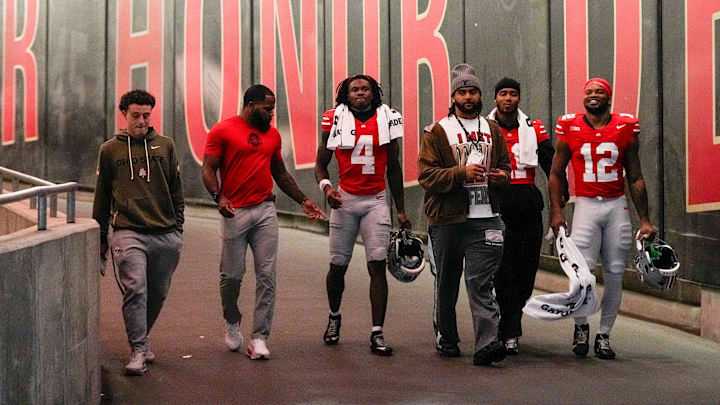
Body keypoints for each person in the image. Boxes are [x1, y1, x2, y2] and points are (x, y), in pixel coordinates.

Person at [202, 84, 326, 360]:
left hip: (265, 211)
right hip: (234, 211)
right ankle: (232, 322)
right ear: (250, 105)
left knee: (267, 276)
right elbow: (208, 169)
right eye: (267, 108)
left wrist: (303, 200)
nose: (272, 113)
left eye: (273, 108)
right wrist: (217, 197)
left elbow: (280, 173)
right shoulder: (222, 130)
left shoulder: (272, 136)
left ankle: (259, 338)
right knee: (231, 276)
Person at [548, 77, 656, 360]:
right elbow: (556, 173)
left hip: (615, 206)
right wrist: (557, 212)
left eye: (599, 92)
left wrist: (645, 219)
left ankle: (604, 334)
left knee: (615, 273)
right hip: (585, 205)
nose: (593, 95)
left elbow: (635, 176)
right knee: (581, 272)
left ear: (609, 98)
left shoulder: (625, 126)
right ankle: (581, 326)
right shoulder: (569, 125)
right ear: (583, 97)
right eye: (589, 92)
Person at [418, 63, 512, 366]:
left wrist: (501, 177)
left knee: (481, 282)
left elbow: (507, 168)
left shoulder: (493, 129)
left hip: (487, 217)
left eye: (472, 91)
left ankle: (486, 343)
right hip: (448, 218)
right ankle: (447, 336)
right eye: (462, 92)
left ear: (480, 94)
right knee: (447, 281)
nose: (468, 97)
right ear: (454, 96)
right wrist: (460, 173)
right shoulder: (437, 131)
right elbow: (426, 176)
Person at [315, 74, 410, 356]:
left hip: (375, 200)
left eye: (365, 88)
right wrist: (327, 188)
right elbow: (321, 164)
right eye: (355, 89)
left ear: (373, 92)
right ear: (346, 93)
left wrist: (401, 209)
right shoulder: (334, 118)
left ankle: (377, 332)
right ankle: (334, 316)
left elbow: (393, 168)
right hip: (345, 199)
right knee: (337, 266)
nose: (360, 93)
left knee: (377, 265)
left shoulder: (387, 117)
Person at [93, 89, 184, 376]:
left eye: (146, 115)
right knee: (136, 290)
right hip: (127, 232)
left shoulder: (166, 146)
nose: (142, 121)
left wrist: (178, 227)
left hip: (165, 233)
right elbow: (102, 196)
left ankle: (142, 339)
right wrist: (100, 239)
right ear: (124, 115)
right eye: (136, 115)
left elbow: (176, 190)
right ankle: (137, 350)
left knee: (158, 294)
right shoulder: (110, 150)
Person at [487, 77, 560, 355]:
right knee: (503, 270)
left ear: (519, 98)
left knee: (527, 270)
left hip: (528, 202)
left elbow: (552, 167)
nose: (508, 98)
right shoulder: (485, 128)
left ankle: (509, 321)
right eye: (503, 93)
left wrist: (557, 205)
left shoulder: (534, 128)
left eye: (513, 94)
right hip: (498, 203)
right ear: (495, 99)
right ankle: (510, 331)